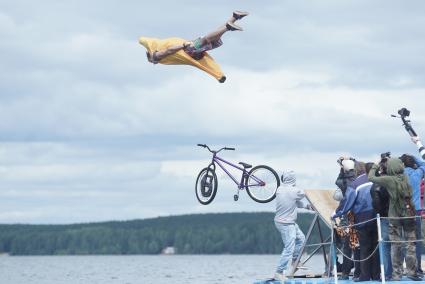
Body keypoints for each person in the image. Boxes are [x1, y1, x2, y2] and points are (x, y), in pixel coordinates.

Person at [141, 11, 248, 82]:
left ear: (150, 56)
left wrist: (183, 45)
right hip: (192, 50)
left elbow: (169, 51)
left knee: (206, 39)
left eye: (152, 62)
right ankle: (234, 17)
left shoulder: (156, 56)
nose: (154, 63)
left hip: (189, 50)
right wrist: (219, 76)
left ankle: (228, 27)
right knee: (213, 39)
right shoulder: (159, 49)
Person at [368, 158, 422, 281]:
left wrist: (376, 165)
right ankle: (412, 272)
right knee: (410, 245)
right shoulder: (406, 177)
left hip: (394, 216)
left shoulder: (389, 180)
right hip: (409, 214)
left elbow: (371, 178)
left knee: (395, 246)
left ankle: (396, 274)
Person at [332, 163, 380, 281]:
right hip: (376, 216)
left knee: (364, 247)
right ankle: (376, 274)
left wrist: (336, 213)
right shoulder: (376, 179)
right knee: (375, 246)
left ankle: (364, 275)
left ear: (357, 172)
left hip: (362, 218)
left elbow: (347, 202)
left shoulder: (355, 184)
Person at [273, 171, 311, 281]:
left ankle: (295, 262)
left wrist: (307, 207)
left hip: (287, 222)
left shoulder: (281, 189)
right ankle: (279, 272)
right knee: (289, 248)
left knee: (301, 239)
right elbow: (307, 193)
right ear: (293, 179)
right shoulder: (294, 190)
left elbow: (295, 202)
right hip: (285, 223)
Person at [333, 157, 361, 280]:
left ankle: (345, 273)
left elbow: (337, 180)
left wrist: (341, 169)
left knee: (347, 246)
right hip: (357, 215)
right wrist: (351, 160)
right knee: (358, 245)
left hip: (346, 216)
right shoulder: (358, 180)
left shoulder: (343, 182)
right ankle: (358, 272)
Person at [400, 154, 425, 276]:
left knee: (405, 241)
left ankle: (409, 269)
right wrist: (415, 158)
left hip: (402, 211)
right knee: (417, 241)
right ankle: (418, 269)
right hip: (417, 211)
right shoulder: (417, 174)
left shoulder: (398, 176)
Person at [367, 161, 392, 280]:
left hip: (384, 217)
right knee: (400, 245)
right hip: (398, 216)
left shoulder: (377, 184)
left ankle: (387, 273)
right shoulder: (398, 180)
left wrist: (379, 213)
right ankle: (397, 272)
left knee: (385, 245)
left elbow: (376, 202)